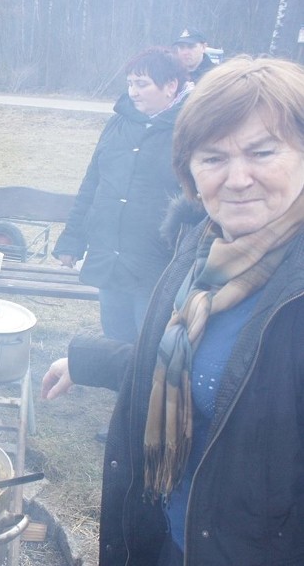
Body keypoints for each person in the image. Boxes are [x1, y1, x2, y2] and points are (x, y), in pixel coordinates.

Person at [41, 56, 304, 565]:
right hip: (169, 531)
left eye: (262, 151)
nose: (237, 178)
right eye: (212, 158)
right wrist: (87, 361)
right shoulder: (200, 249)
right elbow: (186, 368)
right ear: (188, 170)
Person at [53, 47, 190, 343]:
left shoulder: (190, 128)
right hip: (109, 256)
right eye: (130, 83)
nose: (133, 92)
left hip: (156, 262)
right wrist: (72, 239)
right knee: (115, 336)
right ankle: (121, 389)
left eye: (142, 84)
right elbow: (92, 184)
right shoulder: (118, 122)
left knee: (150, 342)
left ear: (171, 86)